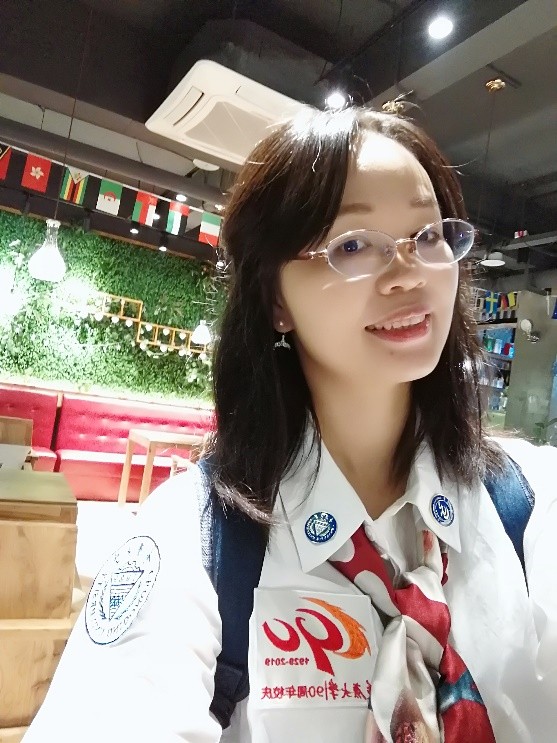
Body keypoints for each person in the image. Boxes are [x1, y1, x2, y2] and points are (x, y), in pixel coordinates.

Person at [23, 106, 557, 743]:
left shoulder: (528, 503)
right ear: (276, 297)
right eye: (353, 245)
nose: (409, 273)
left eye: (428, 236)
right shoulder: (198, 538)